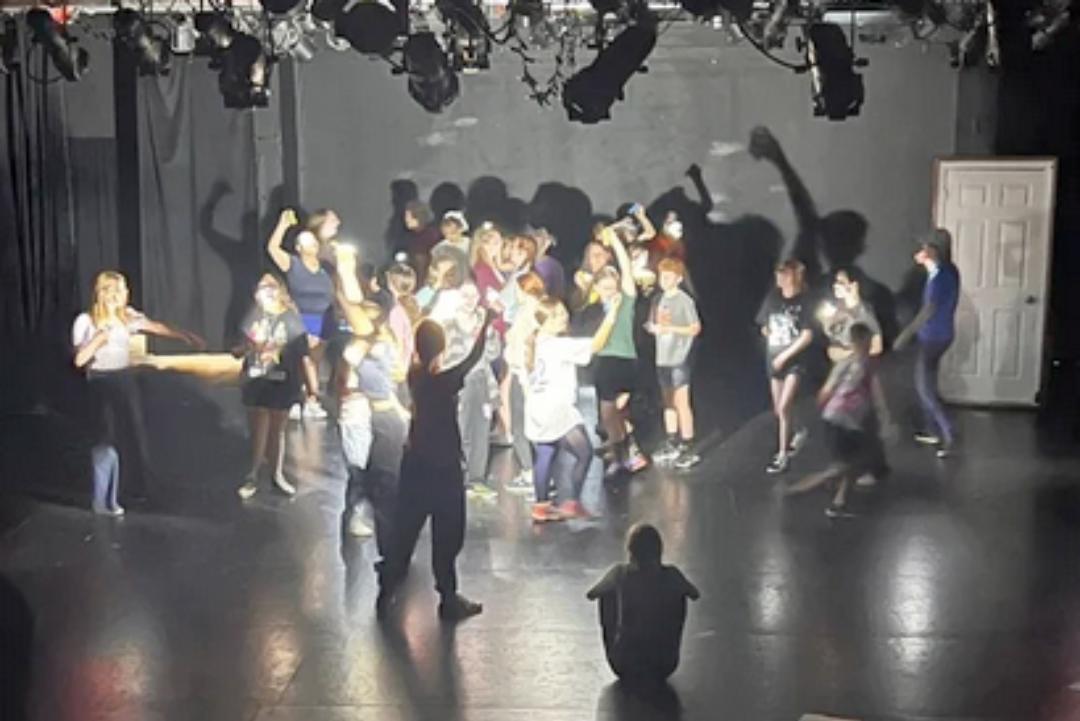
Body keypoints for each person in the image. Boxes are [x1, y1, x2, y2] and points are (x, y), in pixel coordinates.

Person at [376, 310, 494, 622]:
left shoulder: (416, 376)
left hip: (416, 464)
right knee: (447, 535)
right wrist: (487, 322)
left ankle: (387, 586)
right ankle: (448, 597)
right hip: (443, 468)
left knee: (405, 530)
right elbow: (473, 358)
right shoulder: (440, 382)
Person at [72, 270, 204, 493]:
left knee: (134, 430)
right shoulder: (86, 321)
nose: (121, 295)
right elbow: (79, 360)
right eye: (115, 291)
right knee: (106, 435)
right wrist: (97, 341)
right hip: (100, 381)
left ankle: (140, 484)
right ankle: (105, 490)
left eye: (123, 291)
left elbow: (156, 327)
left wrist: (185, 336)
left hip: (124, 378)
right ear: (103, 293)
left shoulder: (127, 316)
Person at [525, 297, 619, 522]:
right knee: (584, 452)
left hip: (538, 407)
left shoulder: (534, 343)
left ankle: (541, 506)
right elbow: (596, 345)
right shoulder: (558, 346)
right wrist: (612, 315)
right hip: (558, 408)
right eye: (557, 315)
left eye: (563, 312)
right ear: (545, 322)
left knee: (546, 451)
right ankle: (572, 503)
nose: (564, 317)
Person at [786, 323, 891, 518]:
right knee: (845, 466)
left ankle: (837, 502)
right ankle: (811, 490)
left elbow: (827, 391)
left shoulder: (847, 364)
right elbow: (876, 395)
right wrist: (884, 417)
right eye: (867, 341)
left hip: (840, 419)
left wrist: (823, 410)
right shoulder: (865, 366)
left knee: (849, 464)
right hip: (845, 420)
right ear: (862, 342)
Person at [587, 524, 700, 685]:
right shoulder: (671, 575)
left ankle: (617, 645)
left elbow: (592, 594)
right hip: (664, 665)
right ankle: (669, 644)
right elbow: (694, 594)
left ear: (631, 551)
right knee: (678, 591)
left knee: (608, 593)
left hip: (624, 665)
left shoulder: (620, 573)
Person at [235, 274, 315, 500]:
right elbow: (242, 347)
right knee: (258, 428)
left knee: (277, 430)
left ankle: (276, 475)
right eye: (262, 286)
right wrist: (243, 349)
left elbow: (304, 355)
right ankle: (252, 475)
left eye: (271, 286)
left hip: (283, 381)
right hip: (256, 379)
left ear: (281, 290)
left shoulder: (291, 318)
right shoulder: (253, 316)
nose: (267, 291)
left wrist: (311, 387)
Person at [895, 229, 961, 458]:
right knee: (927, 383)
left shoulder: (941, 277)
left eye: (925, 247)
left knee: (925, 387)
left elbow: (929, 310)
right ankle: (932, 428)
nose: (921, 250)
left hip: (934, 336)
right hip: (939, 335)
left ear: (934, 250)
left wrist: (906, 334)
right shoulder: (946, 271)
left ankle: (949, 434)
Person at [593, 223, 648, 477]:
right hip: (604, 361)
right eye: (604, 287)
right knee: (609, 414)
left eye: (612, 286)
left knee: (617, 411)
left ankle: (627, 454)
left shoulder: (625, 302)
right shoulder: (595, 309)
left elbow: (626, 268)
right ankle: (621, 455)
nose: (609, 291)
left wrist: (615, 240)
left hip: (624, 360)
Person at [266, 209, 332, 420]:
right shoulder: (293, 264)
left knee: (314, 360)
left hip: (323, 320)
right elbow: (272, 248)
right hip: (300, 319)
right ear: (298, 248)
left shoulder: (326, 267)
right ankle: (301, 399)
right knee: (302, 360)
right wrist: (283, 225)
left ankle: (308, 398)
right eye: (306, 243)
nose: (311, 247)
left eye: (313, 243)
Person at [442, 281, 502, 501]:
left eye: (473, 295)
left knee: (481, 430)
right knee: (460, 430)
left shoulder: (484, 324)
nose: (469, 300)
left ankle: (476, 478)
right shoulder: (448, 326)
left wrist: (489, 332)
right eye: (465, 295)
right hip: (458, 384)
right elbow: (445, 358)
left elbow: (494, 354)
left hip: (482, 381)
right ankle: (457, 476)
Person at [757, 260, 814, 474]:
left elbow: (807, 335)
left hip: (793, 361)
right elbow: (764, 324)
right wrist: (767, 331)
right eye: (778, 274)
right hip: (773, 357)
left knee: (783, 406)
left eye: (784, 274)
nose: (779, 278)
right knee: (779, 408)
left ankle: (782, 454)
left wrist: (786, 355)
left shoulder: (805, 301)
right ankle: (798, 428)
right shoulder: (773, 297)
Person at [647, 258, 702, 470]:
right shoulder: (658, 299)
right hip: (663, 356)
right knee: (667, 400)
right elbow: (655, 322)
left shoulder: (684, 300)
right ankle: (672, 439)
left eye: (668, 277)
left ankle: (688, 443)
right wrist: (653, 328)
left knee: (681, 401)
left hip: (679, 356)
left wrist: (671, 330)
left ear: (678, 279)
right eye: (662, 276)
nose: (664, 280)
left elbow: (695, 328)